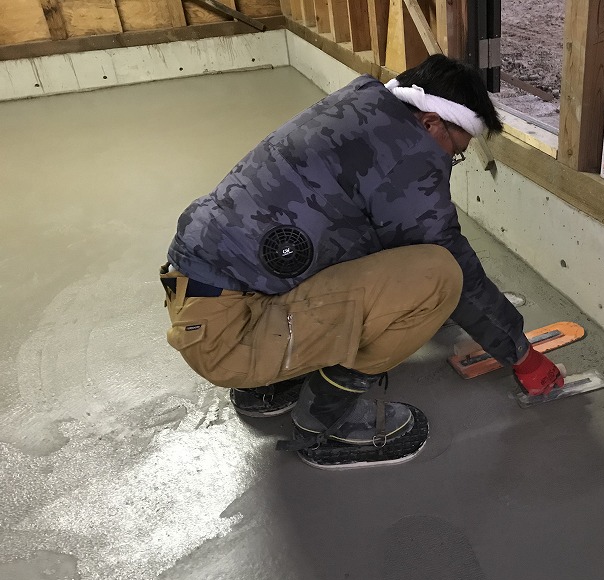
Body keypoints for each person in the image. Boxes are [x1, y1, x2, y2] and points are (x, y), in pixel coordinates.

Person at [160, 54, 563, 469]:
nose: (450, 161)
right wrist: (521, 353)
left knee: (387, 250)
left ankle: (267, 386)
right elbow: (451, 261)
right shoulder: (407, 154)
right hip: (230, 339)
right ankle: (326, 420)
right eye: (455, 152)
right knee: (441, 276)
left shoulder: (361, 110)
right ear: (431, 122)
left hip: (203, 303)